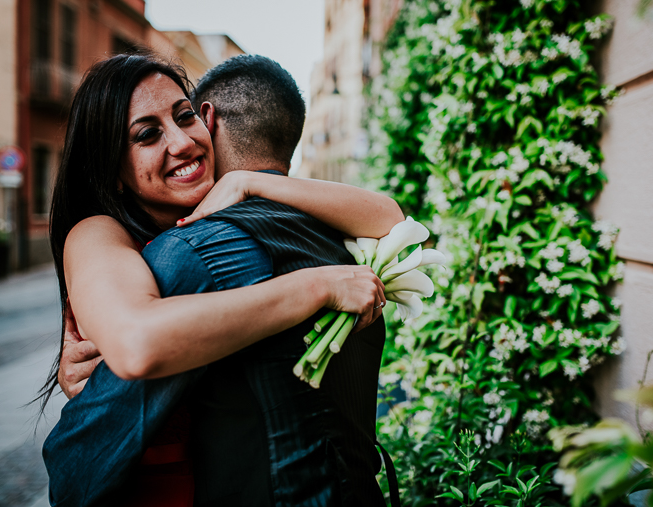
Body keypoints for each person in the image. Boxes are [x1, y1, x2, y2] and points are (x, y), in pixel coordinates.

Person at [42, 53, 402, 506]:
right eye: (148, 134)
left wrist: (251, 183)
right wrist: (317, 287)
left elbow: (390, 218)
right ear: (113, 172)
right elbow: (137, 343)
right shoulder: (97, 233)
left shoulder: (220, 215)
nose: (182, 141)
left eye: (184, 116)